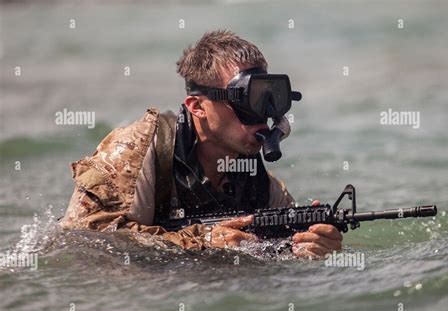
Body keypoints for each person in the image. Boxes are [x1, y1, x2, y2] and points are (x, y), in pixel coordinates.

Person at [61, 30, 343, 258]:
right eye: (246, 99)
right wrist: (200, 240)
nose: (262, 114)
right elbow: (84, 241)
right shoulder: (136, 152)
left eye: (267, 98)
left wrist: (307, 251)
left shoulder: (264, 189)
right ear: (197, 107)